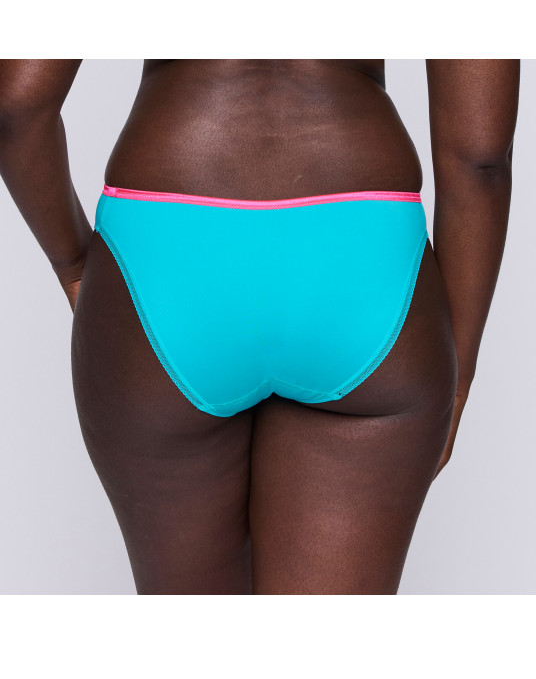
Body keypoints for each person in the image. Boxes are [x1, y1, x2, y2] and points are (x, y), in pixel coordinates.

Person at [0, 59, 520, 594]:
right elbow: (480, 156)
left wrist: (75, 265)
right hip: (357, 251)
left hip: (169, 249)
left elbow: (17, 106)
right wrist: (457, 376)